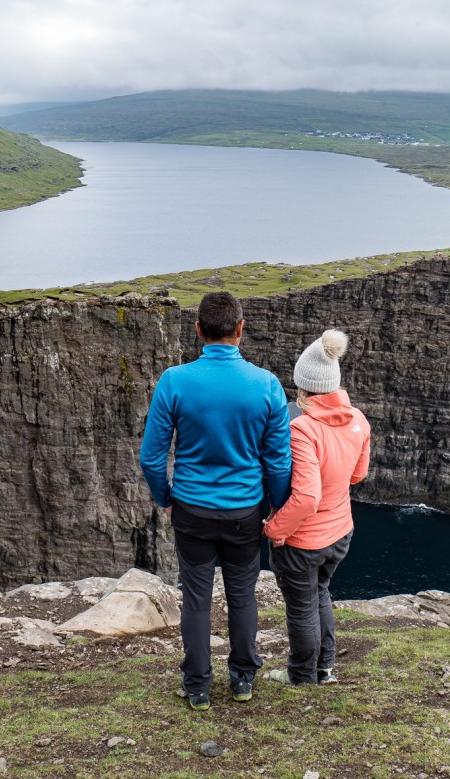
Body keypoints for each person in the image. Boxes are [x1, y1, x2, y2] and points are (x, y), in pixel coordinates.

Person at [139, 291, 292, 711]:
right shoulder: (266, 385)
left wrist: (166, 498)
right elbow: (278, 463)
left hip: (191, 509)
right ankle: (242, 679)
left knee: (196, 599)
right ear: (240, 329)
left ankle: (197, 686)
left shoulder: (175, 380)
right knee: (243, 595)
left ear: (199, 331)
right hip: (246, 511)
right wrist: (276, 506)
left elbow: (151, 456)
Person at [263, 329, 370, 686]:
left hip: (304, 541)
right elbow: (358, 475)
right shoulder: (358, 419)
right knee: (320, 593)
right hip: (341, 533)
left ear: (302, 385)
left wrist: (275, 530)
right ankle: (324, 669)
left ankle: (301, 676)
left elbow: (307, 497)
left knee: (302, 607)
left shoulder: (302, 429)